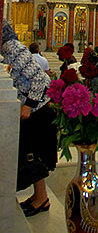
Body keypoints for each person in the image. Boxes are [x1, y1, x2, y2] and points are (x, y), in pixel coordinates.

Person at [1, 20, 57, 217]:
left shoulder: (12, 47)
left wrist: (28, 105)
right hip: (31, 111)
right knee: (29, 155)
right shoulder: (6, 48)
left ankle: (42, 199)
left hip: (38, 111)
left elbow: (42, 79)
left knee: (34, 155)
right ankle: (38, 196)